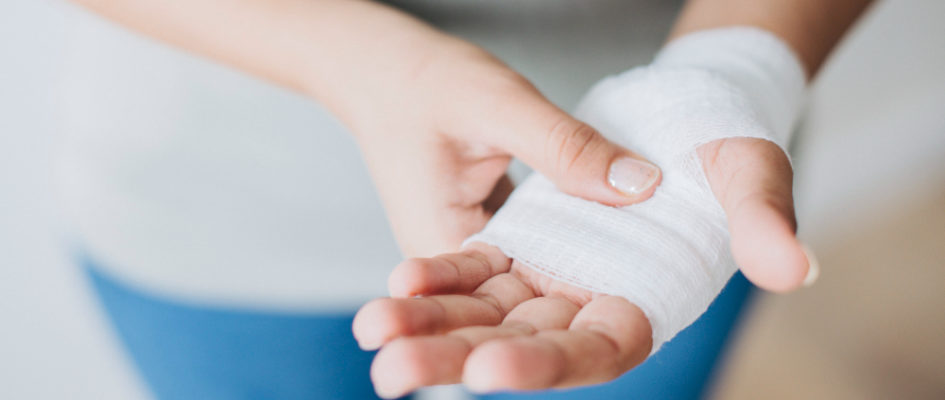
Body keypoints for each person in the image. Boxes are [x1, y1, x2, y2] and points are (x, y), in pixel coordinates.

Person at [64, 0, 870, 398]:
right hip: (217, 214)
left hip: (663, 226)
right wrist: (357, 60)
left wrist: (730, 68)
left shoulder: (662, 233)